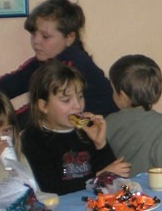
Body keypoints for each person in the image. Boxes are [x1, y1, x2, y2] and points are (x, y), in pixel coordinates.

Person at [0, 0, 117, 127]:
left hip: (98, 129)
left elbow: (41, 110)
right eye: (34, 33)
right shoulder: (45, 61)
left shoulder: (72, 66)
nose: (36, 41)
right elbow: (10, 83)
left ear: (69, 37)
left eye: (45, 36)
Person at [21, 60, 129, 195]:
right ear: (44, 106)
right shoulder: (33, 138)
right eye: (66, 100)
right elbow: (52, 189)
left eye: (80, 97)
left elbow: (117, 178)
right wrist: (100, 176)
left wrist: (101, 144)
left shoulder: (85, 130)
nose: (77, 106)